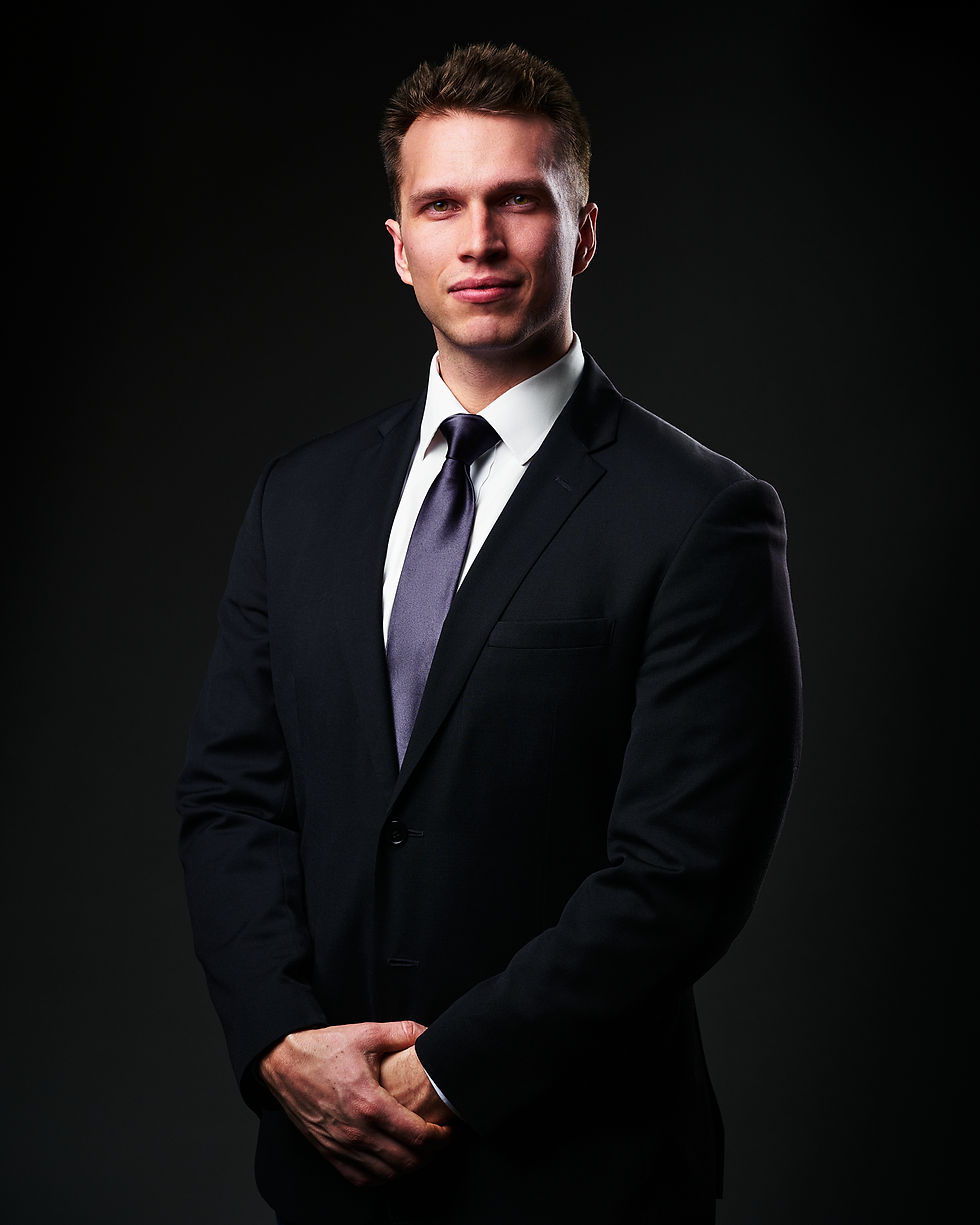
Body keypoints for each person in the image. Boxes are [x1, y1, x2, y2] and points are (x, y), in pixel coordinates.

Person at [176, 42, 802, 1225]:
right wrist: (279, 1044)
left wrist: (444, 1075)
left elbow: (678, 878)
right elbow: (229, 798)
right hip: (328, 1167)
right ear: (398, 244)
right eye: (441, 204)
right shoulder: (295, 501)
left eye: (519, 199)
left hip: (578, 1172)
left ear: (585, 229)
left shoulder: (700, 517)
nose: (481, 239)